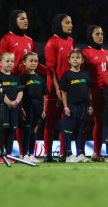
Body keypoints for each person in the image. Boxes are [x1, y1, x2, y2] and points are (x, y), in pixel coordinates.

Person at [0, 9, 48, 157]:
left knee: (27, 121)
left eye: (26, 18)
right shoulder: (7, 39)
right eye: (21, 18)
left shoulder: (29, 40)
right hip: (13, 84)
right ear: (14, 20)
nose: (25, 21)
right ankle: (8, 153)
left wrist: (49, 73)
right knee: (15, 121)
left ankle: (24, 153)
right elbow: (1, 62)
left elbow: (34, 63)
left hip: (29, 84)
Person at [43, 14, 75, 162]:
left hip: (68, 89)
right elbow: (51, 69)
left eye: (71, 23)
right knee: (50, 122)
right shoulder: (51, 43)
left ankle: (64, 154)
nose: (71, 25)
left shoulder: (71, 41)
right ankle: (47, 154)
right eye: (67, 23)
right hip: (54, 89)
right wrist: (57, 88)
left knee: (66, 123)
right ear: (58, 25)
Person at [82, 25, 108, 162]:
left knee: (100, 123)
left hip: (104, 92)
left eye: (102, 33)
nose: (101, 36)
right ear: (90, 36)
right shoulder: (85, 53)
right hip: (90, 91)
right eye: (97, 34)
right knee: (84, 122)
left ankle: (96, 153)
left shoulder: (106, 53)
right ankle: (80, 153)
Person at [59, 48, 93, 163]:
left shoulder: (85, 74)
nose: (75, 59)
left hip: (83, 106)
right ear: (69, 60)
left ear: (82, 60)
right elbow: (63, 93)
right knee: (68, 131)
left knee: (80, 131)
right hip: (71, 106)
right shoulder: (66, 75)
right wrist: (65, 107)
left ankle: (79, 154)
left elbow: (88, 91)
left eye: (78, 57)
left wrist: (90, 104)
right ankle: (69, 155)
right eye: (73, 57)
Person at [0, 52, 23, 163]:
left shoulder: (16, 77)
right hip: (3, 109)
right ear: (0, 63)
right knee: (1, 131)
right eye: (7, 61)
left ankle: (9, 154)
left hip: (14, 108)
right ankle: (0, 154)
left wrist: (16, 102)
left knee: (12, 131)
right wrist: (8, 103)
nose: (10, 63)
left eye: (12, 61)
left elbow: (20, 91)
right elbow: (0, 93)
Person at [19, 52, 47, 163]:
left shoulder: (41, 78)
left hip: (38, 106)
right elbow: (20, 94)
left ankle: (31, 154)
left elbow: (44, 95)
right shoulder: (22, 77)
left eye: (36, 61)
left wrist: (43, 109)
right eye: (31, 61)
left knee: (35, 130)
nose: (34, 63)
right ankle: (24, 154)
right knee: (27, 130)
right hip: (27, 105)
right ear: (24, 62)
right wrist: (21, 109)